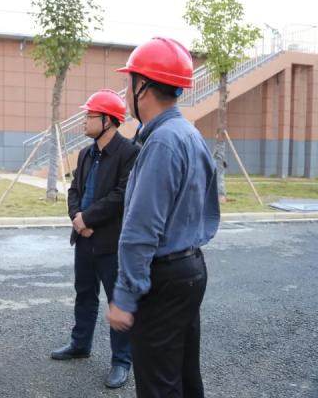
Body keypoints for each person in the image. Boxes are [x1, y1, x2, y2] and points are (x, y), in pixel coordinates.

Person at [108, 37, 220, 397]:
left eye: (128, 82)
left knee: (158, 384)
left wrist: (125, 295)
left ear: (142, 86)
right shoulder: (189, 133)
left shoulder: (162, 143)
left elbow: (141, 230)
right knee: (184, 376)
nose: (125, 92)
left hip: (164, 278)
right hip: (190, 269)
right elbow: (209, 207)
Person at [50, 89, 139, 389]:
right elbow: (74, 190)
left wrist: (88, 219)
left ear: (108, 120)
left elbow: (122, 195)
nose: (84, 120)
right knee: (84, 293)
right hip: (84, 238)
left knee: (117, 300)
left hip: (111, 242)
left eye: (90, 115)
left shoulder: (130, 153)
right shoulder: (86, 153)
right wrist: (77, 218)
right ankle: (80, 344)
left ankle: (121, 361)